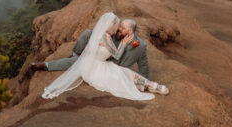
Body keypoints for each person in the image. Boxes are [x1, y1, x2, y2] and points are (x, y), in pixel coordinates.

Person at [39, 12, 169, 100]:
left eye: (120, 27)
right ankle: (147, 86)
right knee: (118, 78)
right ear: (110, 26)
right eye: (117, 26)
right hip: (93, 69)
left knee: (125, 72)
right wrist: (123, 44)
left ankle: (150, 84)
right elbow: (117, 55)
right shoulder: (105, 37)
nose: (117, 29)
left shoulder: (105, 35)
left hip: (99, 64)